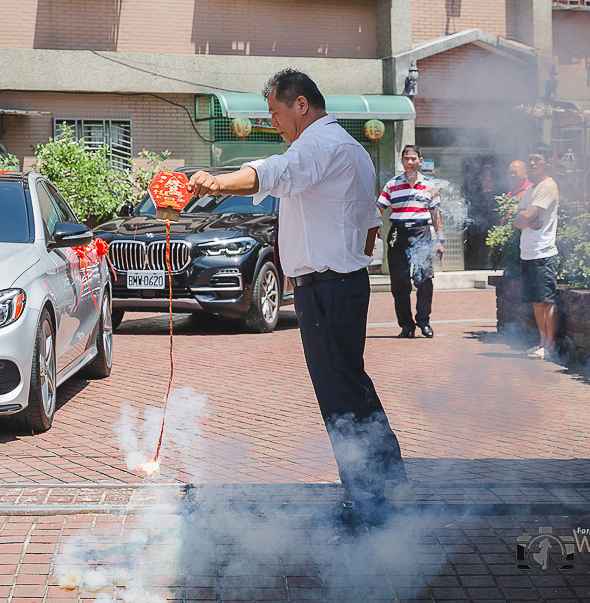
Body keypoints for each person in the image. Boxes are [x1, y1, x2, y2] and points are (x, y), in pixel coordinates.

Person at [187, 69, 406, 526]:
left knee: (339, 393)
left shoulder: (318, 145)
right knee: (351, 383)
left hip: (328, 288)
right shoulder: (352, 149)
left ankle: (367, 503)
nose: (274, 124)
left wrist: (215, 182)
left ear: (301, 104)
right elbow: (370, 227)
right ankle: (386, 483)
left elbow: (274, 173)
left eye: (276, 113)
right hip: (341, 283)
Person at [376, 146, 444, 338]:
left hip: (422, 233)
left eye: (414, 158)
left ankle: (424, 322)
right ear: (402, 162)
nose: (410, 162)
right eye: (406, 158)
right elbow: (378, 210)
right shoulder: (392, 184)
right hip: (398, 234)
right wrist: (373, 235)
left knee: (424, 280)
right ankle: (406, 326)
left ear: (420, 161)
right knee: (399, 283)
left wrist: (440, 240)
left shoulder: (430, 185)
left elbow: (435, 213)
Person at [513, 145, 560, 359]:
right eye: (530, 159)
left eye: (537, 159)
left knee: (545, 301)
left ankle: (550, 346)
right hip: (528, 252)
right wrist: (525, 219)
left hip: (543, 252)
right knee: (535, 301)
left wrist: (525, 218)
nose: (532, 163)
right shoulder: (531, 188)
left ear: (547, 162)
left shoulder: (548, 186)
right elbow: (517, 221)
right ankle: (542, 342)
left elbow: (529, 214)